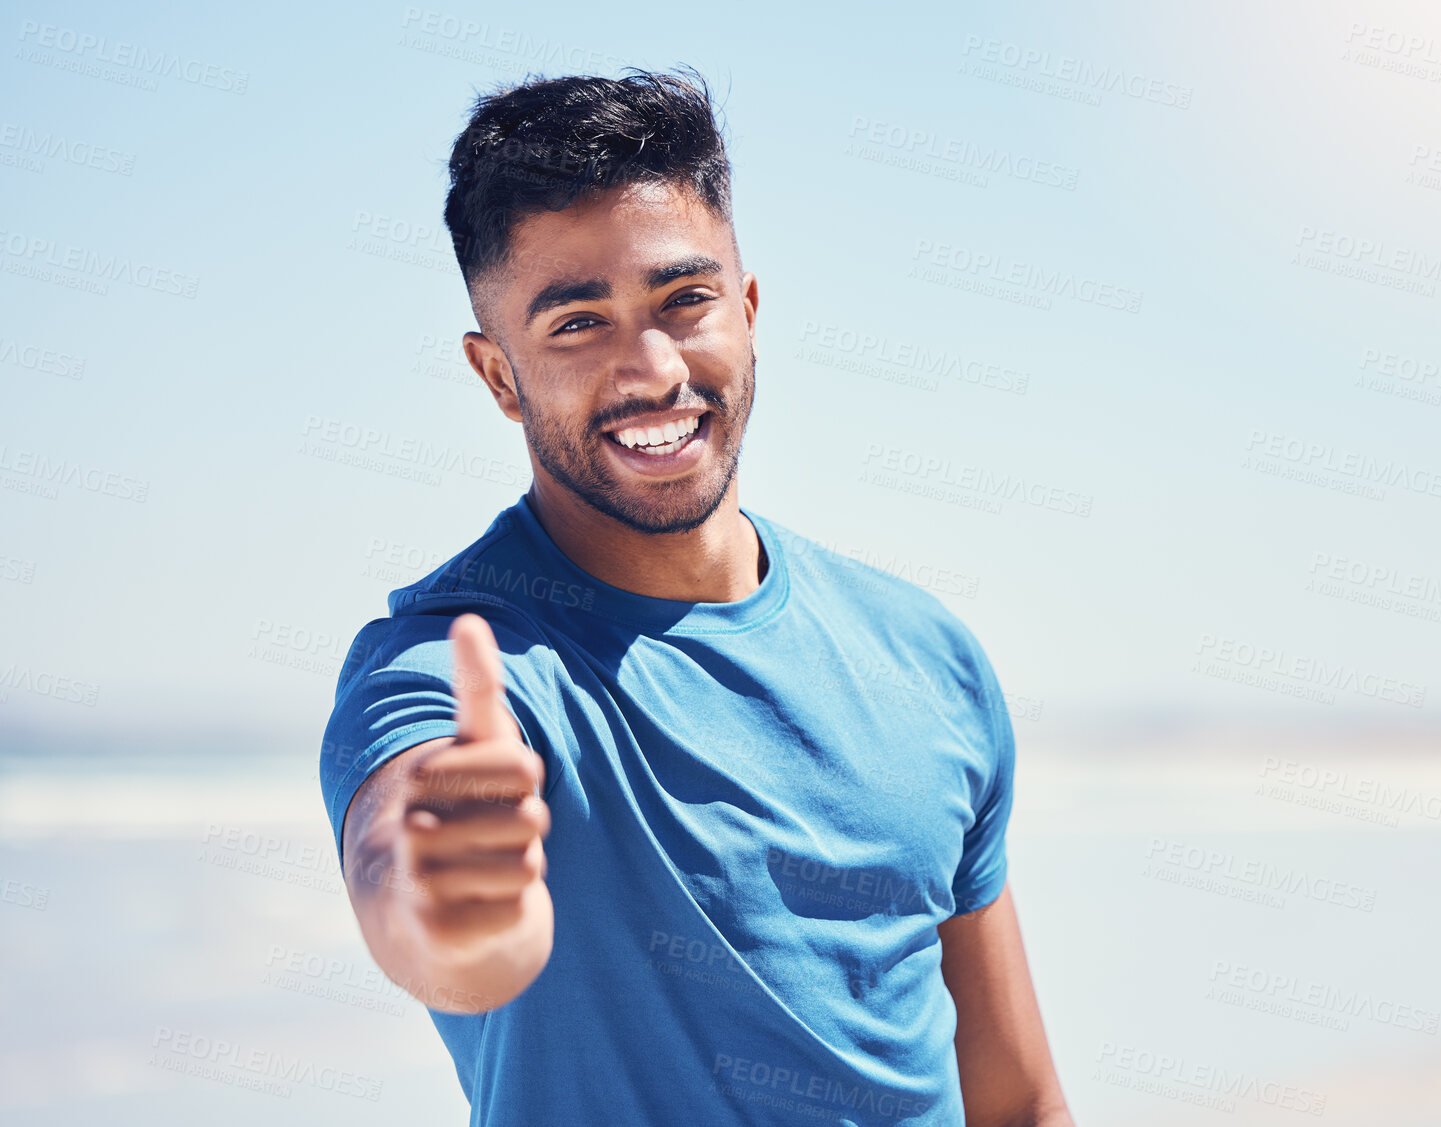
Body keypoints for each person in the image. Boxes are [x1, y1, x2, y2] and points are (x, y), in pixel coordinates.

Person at [318, 66, 1072, 1126]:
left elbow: (1019, 1096)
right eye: (578, 324)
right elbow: (419, 890)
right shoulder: (452, 664)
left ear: (749, 307)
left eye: (686, 299)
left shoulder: (926, 652)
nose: (654, 367)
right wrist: (452, 911)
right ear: (498, 377)